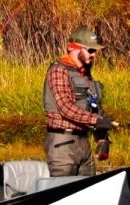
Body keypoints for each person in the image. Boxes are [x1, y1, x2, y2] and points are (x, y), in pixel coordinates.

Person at [42, 27, 117, 177]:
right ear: (73, 48)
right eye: (90, 50)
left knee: (89, 192)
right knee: (63, 195)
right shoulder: (58, 70)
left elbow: (94, 108)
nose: (94, 55)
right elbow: (65, 108)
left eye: (95, 51)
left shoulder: (86, 76)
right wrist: (97, 121)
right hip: (62, 144)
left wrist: (102, 137)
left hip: (84, 144)